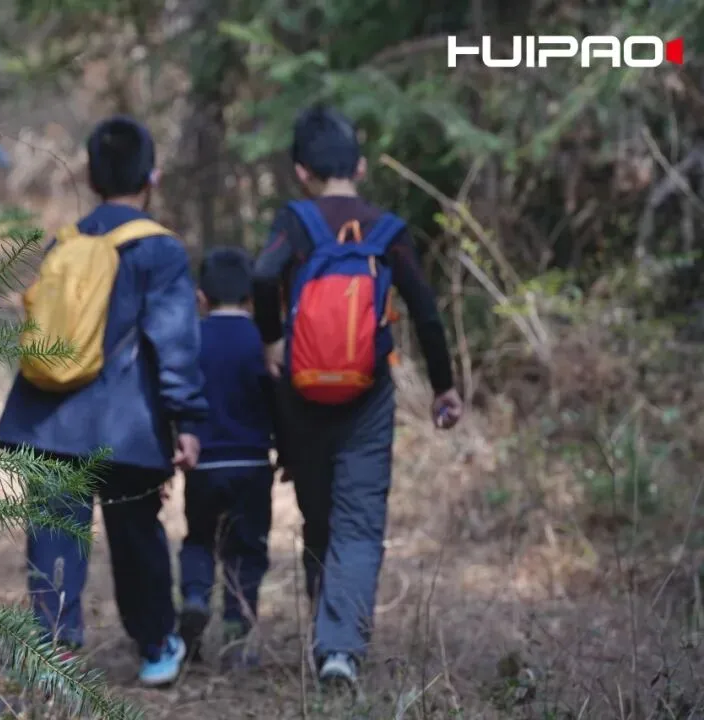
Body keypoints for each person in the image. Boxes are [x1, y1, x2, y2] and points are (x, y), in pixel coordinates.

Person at [251, 105, 464, 688]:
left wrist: (272, 341)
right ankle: (339, 647)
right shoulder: (386, 229)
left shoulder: (295, 221)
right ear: (362, 167)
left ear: (302, 171)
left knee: (320, 514)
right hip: (368, 394)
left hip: (299, 391)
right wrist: (443, 386)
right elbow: (425, 311)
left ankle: (327, 623)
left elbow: (263, 275)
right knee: (360, 521)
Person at [0, 115, 207, 687]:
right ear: (152, 177)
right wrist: (187, 420)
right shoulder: (161, 250)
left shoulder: (66, 241)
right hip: (126, 425)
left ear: (90, 177)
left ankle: (54, 648)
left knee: (54, 532)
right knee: (137, 534)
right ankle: (156, 645)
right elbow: (175, 343)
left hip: (48, 416)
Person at [177, 247, 281, 670]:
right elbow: (278, 400)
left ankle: (195, 597)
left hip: (203, 464)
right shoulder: (261, 342)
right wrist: (288, 451)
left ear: (201, 298)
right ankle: (236, 636)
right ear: (252, 299)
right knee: (247, 551)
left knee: (199, 538)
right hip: (252, 463)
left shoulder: (192, 339)